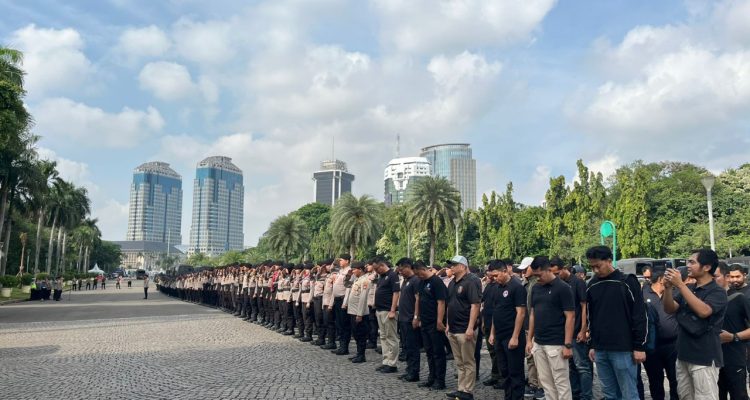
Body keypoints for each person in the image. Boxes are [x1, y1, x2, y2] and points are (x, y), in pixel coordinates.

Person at [663, 249, 727, 400]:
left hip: (704, 357)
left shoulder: (717, 291)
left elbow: (704, 311)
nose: (688, 265)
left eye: (692, 262)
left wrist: (680, 285)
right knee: (685, 396)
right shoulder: (689, 288)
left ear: (707, 267)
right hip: (683, 354)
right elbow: (669, 308)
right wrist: (668, 288)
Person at [586, 246, 647, 400]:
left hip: (624, 348)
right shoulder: (592, 285)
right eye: (592, 267)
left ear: (609, 261)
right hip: (600, 348)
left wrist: (639, 346)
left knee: (629, 393)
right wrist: (592, 344)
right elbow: (591, 317)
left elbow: (639, 314)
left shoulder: (627, 281)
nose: (595, 270)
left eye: (598, 266)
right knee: (609, 394)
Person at [525, 256, 574, 400]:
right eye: (535, 275)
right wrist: (529, 340)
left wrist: (567, 345)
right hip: (539, 342)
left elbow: (570, 317)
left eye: (539, 275)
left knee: (561, 382)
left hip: (556, 343)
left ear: (548, 270)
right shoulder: (535, 288)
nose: (537, 278)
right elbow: (532, 314)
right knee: (546, 383)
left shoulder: (563, 288)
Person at [488, 259, 527, 400]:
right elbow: (495, 312)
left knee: (515, 371)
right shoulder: (496, 288)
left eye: (496, 275)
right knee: (504, 371)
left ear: (505, 271)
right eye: (492, 276)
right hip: (499, 335)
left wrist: (515, 336)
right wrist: (492, 333)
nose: (494, 278)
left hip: (512, 335)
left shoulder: (517, 287)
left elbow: (521, 313)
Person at [445, 255, 482, 400]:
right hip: (453, 328)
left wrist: (470, 327)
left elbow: (475, 305)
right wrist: (448, 324)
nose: (451, 267)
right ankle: (461, 388)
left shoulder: (471, 281)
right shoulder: (452, 283)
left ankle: (468, 391)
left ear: (462, 266)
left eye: (454, 265)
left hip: (465, 328)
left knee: (468, 361)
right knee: (459, 361)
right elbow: (450, 305)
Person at [642, 266, 679, 400]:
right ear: (661, 279)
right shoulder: (643, 293)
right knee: (655, 381)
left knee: (675, 380)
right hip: (652, 346)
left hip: (673, 345)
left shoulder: (674, 292)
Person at [556, 262, 592, 400]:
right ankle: (575, 393)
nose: (556, 275)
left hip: (577, 330)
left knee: (582, 366)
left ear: (565, 268)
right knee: (570, 365)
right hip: (565, 332)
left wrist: (583, 329)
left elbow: (584, 306)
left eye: (557, 272)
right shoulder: (559, 284)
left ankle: (586, 396)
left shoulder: (578, 282)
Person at [715, 263, 750, 400]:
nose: (712, 280)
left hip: (734, 358)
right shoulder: (705, 299)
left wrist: (733, 336)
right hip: (712, 360)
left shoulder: (739, 298)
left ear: (726, 277)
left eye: (716, 276)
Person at [414, 260, 448, 391]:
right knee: (429, 351)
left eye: (419, 273)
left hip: (434, 323)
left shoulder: (436, 282)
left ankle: (440, 380)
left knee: (438, 352)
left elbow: (441, 302)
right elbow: (418, 299)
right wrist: (417, 317)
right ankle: (431, 378)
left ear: (424, 269)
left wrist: (439, 321)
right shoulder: (421, 282)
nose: (418, 276)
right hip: (425, 322)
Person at [518, 256, 544, 399]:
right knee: (530, 357)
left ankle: (541, 386)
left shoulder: (537, 284)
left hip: (536, 326)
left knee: (538, 357)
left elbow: (533, 308)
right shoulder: (526, 283)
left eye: (525, 269)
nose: (523, 272)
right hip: (527, 325)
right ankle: (533, 383)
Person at [396, 258, 421, 382]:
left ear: (408, 267)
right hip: (403, 318)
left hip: (410, 318)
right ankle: (409, 369)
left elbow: (418, 299)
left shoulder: (415, 280)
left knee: (413, 347)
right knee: (406, 346)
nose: (400, 272)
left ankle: (414, 372)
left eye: (401, 270)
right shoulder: (406, 280)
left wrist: (416, 317)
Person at [374, 257, 400, 374]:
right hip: (380, 310)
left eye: (376, 269)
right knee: (383, 337)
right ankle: (386, 361)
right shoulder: (381, 276)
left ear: (382, 265)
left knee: (391, 338)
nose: (376, 271)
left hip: (388, 311)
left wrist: (393, 310)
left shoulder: (392, 275)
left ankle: (392, 363)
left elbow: (396, 293)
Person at [480, 261, 503, 389]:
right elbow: (484, 304)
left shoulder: (499, 286)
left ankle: (501, 377)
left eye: (488, 270)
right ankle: (495, 375)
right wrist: (483, 321)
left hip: (497, 324)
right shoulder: (489, 286)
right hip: (488, 322)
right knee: (492, 352)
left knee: (498, 352)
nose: (487, 273)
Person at [346, 261, 371, 363]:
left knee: (360, 334)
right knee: (355, 333)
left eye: (354, 269)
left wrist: (359, 314)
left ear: (360, 270)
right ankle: (358, 353)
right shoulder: (357, 280)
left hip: (359, 313)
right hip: (353, 311)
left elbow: (363, 298)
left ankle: (361, 355)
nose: (352, 271)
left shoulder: (365, 281)